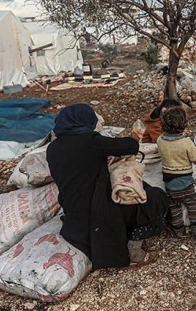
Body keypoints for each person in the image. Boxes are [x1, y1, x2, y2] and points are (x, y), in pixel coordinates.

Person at [46, 104, 168, 268]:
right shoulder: (90, 141)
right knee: (154, 198)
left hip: (73, 212)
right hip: (98, 211)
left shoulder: (53, 148)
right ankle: (135, 247)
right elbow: (130, 146)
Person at [156, 107, 196, 238]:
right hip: (186, 183)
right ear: (183, 125)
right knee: (192, 205)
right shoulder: (186, 142)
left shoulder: (160, 141)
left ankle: (178, 229)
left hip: (169, 184)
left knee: (175, 208)